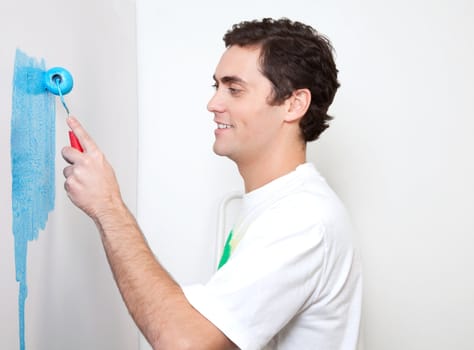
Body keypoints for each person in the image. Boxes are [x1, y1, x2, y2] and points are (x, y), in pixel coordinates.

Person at [62, 17, 362, 350]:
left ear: (294, 104)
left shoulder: (301, 220)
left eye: (234, 89)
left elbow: (185, 343)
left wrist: (109, 207)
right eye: (216, 87)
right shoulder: (272, 207)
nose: (213, 104)